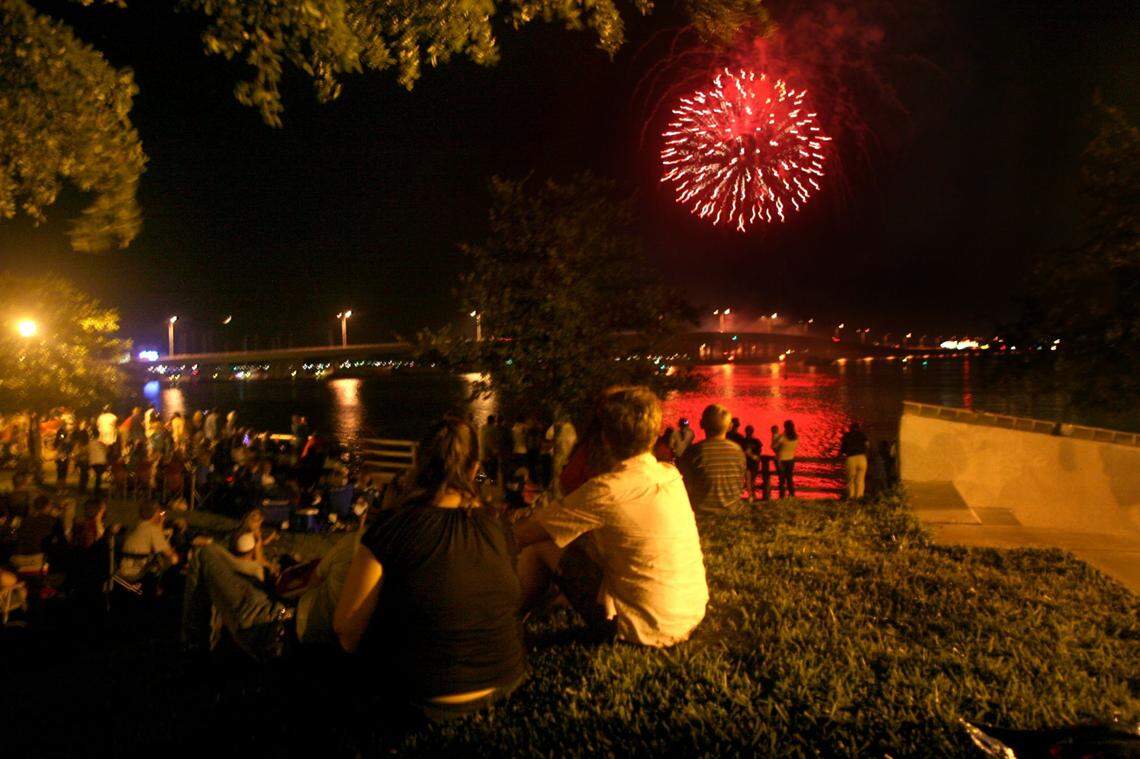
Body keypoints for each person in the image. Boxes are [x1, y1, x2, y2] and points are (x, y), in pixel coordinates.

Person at [334, 416, 525, 719]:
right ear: (474, 468)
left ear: (420, 464)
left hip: (421, 692)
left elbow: (347, 630)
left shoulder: (393, 527)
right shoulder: (498, 526)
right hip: (503, 677)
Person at [515, 387, 708, 647]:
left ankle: (504, 623)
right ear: (653, 434)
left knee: (540, 545)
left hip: (642, 630)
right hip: (689, 615)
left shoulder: (606, 490)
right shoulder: (670, 475)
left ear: (605, 438)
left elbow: (525, 534)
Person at [678, 404, 747, 512]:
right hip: (733, 510)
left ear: (701, 424)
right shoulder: (738, 451)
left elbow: (686, 485)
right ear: (730, 426)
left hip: (701, 511)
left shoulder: (694, 452)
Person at [119, 502, 179, 582]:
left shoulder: (136, 526)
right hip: (138, 570)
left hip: (124, 566)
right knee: (174, 559)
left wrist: (159, 525)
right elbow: (167, 552)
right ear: (155, 514)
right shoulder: (152, 530)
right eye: (159, 512)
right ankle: (162, 587)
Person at [839, 422, 870, 500]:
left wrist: (841, 455)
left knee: (850, 479)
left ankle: (851, 497)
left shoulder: (847, 436)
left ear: (850, 428)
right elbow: (867, 445)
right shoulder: (863, 435)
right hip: (862, 458)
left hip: (851, 458)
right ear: (859, 428)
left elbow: (842, 449)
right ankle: (859, 497)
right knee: (861, 479)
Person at [775, 420, 799, 499]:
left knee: (781, 479)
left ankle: (782, 496)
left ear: (785, 427)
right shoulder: (796, 437)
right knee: (789, 478)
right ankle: (792, 495)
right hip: (791, 459)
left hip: (781, 460)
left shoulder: (782, 437)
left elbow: (775, 447)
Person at [740, 425, 762, 502]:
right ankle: (751, 496)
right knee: (748, 480)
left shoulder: (756, 441)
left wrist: (752, 455)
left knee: (752, 480)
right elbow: (740, 452)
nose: (748, 432)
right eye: (748, 430)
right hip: (747, 463)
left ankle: (752, 495)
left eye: (749, 430)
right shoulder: (743, 441)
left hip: (753, 463)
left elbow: (759, 453)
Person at [478, 415, 501, 484]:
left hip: (482, 453)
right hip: (489, 453)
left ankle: (482, 481)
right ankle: (492, 481)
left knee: (484, 468)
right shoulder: (494, 429)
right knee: (494, 467)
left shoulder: (481, 428)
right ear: (493, 421)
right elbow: (494, 442)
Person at [53, 420, 73, 488]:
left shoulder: (64, 437)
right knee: (62, 471)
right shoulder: (63, 436)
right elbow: (68, 447)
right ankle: (60, 486)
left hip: (61, 457)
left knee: (61, 471)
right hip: (62, 457)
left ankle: (60, 486)